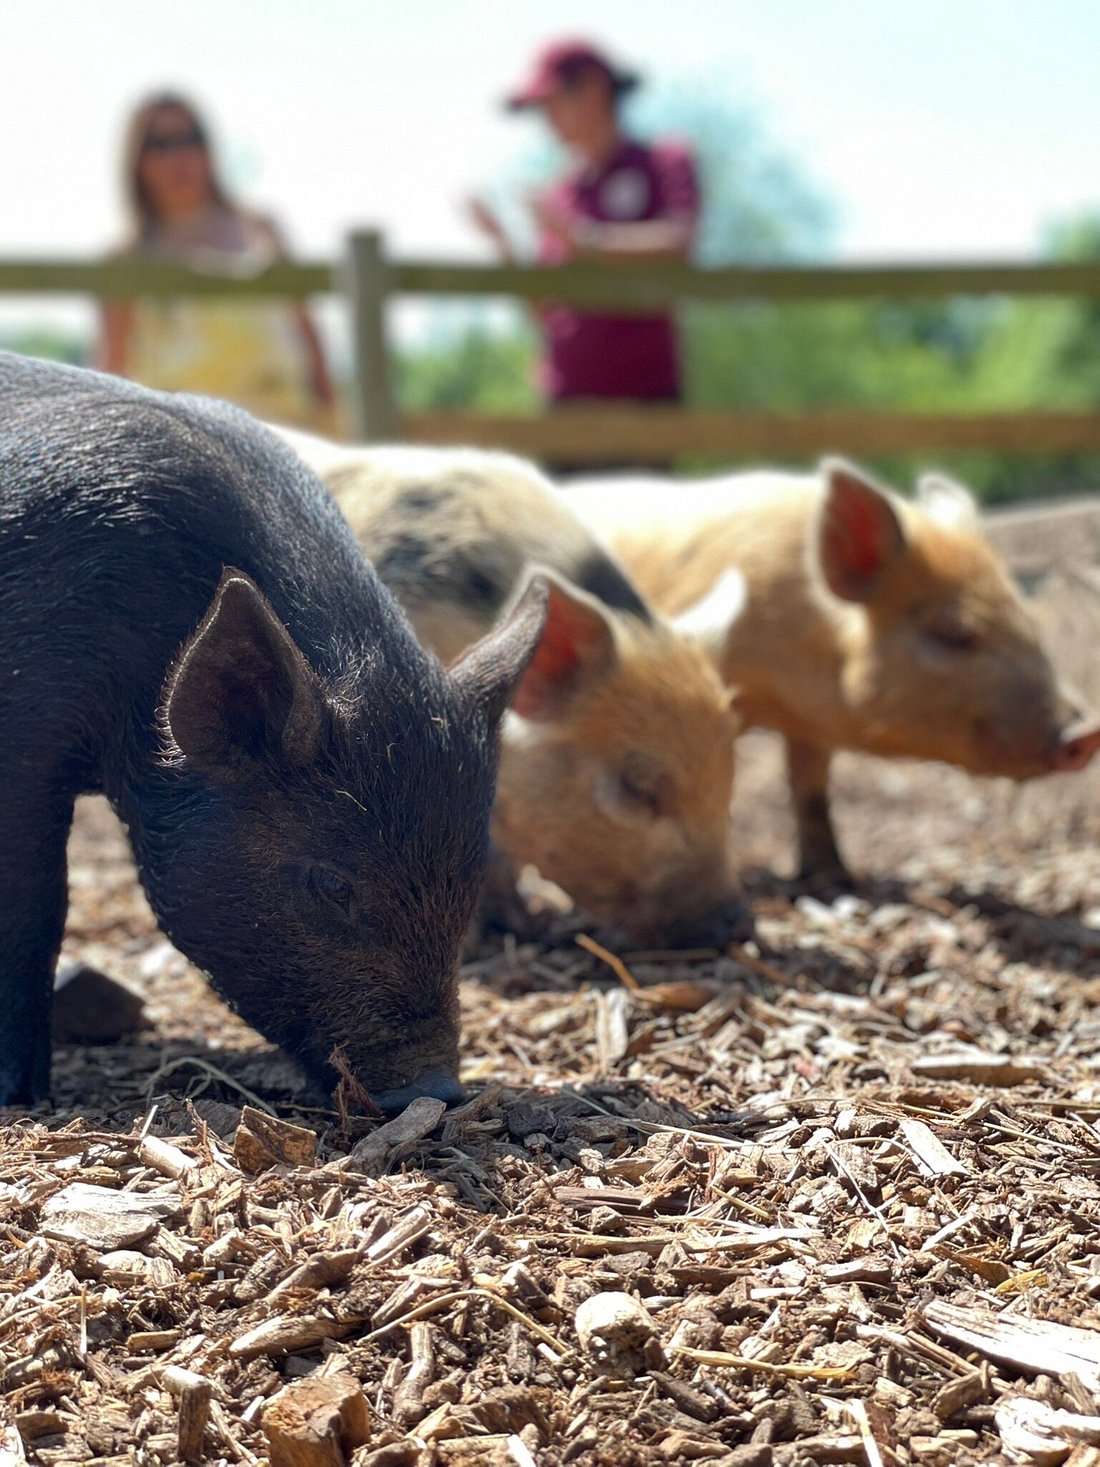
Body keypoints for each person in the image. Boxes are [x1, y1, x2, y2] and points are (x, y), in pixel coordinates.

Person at [470, 39, 700, 405]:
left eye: (552, 104)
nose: (547, 120)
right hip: (566, 402)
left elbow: (680, 242)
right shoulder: (559, 192)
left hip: (646, 397)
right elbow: (543, 309)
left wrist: (584, 239)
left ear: (594, 91)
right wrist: (502, 244)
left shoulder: (664, 160)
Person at [96, 92, 336, 430]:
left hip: (288, 431)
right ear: (137, 160)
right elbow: (112, 371)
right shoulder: (126, 256)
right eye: (160, 144)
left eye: (191, 138)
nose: (180, 156)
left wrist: (331, 416)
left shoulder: (263, 229)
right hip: (189, 444)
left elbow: (309, 335)